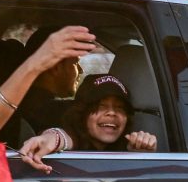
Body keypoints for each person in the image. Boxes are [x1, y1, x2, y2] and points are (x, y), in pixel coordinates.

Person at [19, 73, 157, 173]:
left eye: (120, 108)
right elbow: (64, 138)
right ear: (82, 114)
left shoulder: (129, 145)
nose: (112, 112)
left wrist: (142, 154)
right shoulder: (73, 137)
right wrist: (52, 138)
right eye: (101, 106)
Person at [0, 26, 88, 147]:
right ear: (55, 67)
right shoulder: (61, 113)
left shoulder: (11, 106)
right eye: (75, 63)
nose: (81, 70)